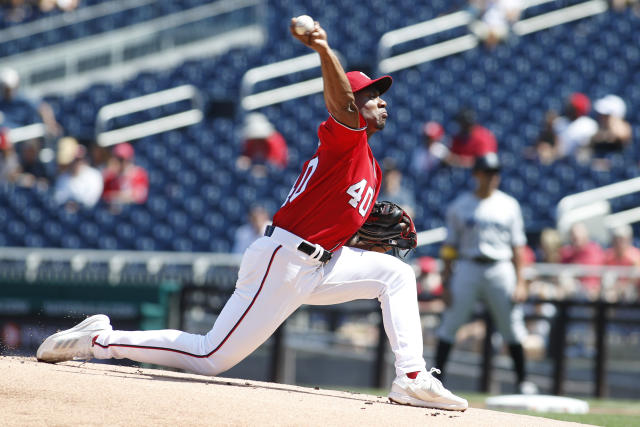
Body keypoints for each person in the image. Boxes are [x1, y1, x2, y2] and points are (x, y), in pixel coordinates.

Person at [36, 18, 468, 411]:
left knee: (396, 274)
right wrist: (323, 49)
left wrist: (355, 236)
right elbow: (340, 103)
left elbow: (337, 217)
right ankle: (100, 339)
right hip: (284, 260)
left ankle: (411, 376)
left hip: (321, 263)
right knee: (210, 356)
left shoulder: (370, 167)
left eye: (381, 97)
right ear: (354, 103)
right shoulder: (346, 138)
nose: (382, 102)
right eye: (372, 95)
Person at [434, 153, 537, 395]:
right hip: (468, 265)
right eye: (488, 172)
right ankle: (436, 381)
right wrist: (446, 282)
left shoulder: (509, 205)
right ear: (476, 174)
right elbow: (450, 247)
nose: (493, 177)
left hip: (501, 267)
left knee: (511, 326)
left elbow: (518, 247)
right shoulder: (460, 205)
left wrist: (521, 282)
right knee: (450, 323)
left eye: (495, 173)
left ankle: (523, 381)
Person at [0, 68, 61, 136]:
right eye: (6, 88)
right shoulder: (1, 103)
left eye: (9, 88)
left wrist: (51, 125)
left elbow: (43, 108)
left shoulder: (24, 99)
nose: (8, 91)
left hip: (26, 137)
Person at [53, 137, 103, 211]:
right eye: (75, 160)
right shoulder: (62, 178)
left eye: (79, 159)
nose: (77, 162)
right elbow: (59, 199)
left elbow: (91, 200)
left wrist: (77, 204)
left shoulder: (94, 175)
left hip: (88, 214)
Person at [559, 222, 605, 297]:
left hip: (591, 293)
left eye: (578, 238)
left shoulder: (596, 251)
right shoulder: (566, 253)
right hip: (570, 295)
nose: (576, 241)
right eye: (574, 238)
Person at [236, 112, 288, 177]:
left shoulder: (275, 141)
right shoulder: (249, 142)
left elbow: (279, 163)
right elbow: (246, 157)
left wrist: (264, 168)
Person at [553, 92, 598, 161]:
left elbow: (589, 147)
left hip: (579, 159)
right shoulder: (559, 122)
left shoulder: (589, 125)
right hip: (559, 158)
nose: (568, 108)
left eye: (571, 107)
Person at [590, 94, 632, 160]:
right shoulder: (599, 129)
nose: (601, 117)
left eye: (606, 116)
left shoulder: (624, 128)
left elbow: (621, 135)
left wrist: (613, 121)